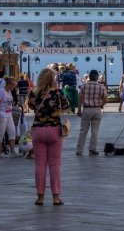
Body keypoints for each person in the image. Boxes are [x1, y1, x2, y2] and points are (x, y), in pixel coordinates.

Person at [27, 68, 70, 206]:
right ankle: (56, 197)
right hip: (54, 131)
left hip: (38, 130)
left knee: (40, 164)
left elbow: (31, 106)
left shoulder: (33, 93)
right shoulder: (58, 93)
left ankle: (40, 197)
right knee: (55, 164)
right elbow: (66, 105)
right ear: (53, 80)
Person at [75, 69, 107, 156]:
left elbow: (79, 99)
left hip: (86, 109)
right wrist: (100, 105)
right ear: (97, 77)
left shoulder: (83, 86)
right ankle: (92, 149)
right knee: (95, 131)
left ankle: (79, 150)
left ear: (89, 77)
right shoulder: (101, 87)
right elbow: (106, 100)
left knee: (83, 131)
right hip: (97, 110)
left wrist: (78, 110)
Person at [0, 77, 19, 157]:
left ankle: (12, 151)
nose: (13, 87)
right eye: (13, 86)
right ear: (8, 84)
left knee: (12, 131)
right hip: (2, 113)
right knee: (1, 132)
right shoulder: (1, 91)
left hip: (9, 114)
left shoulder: (9, 92)